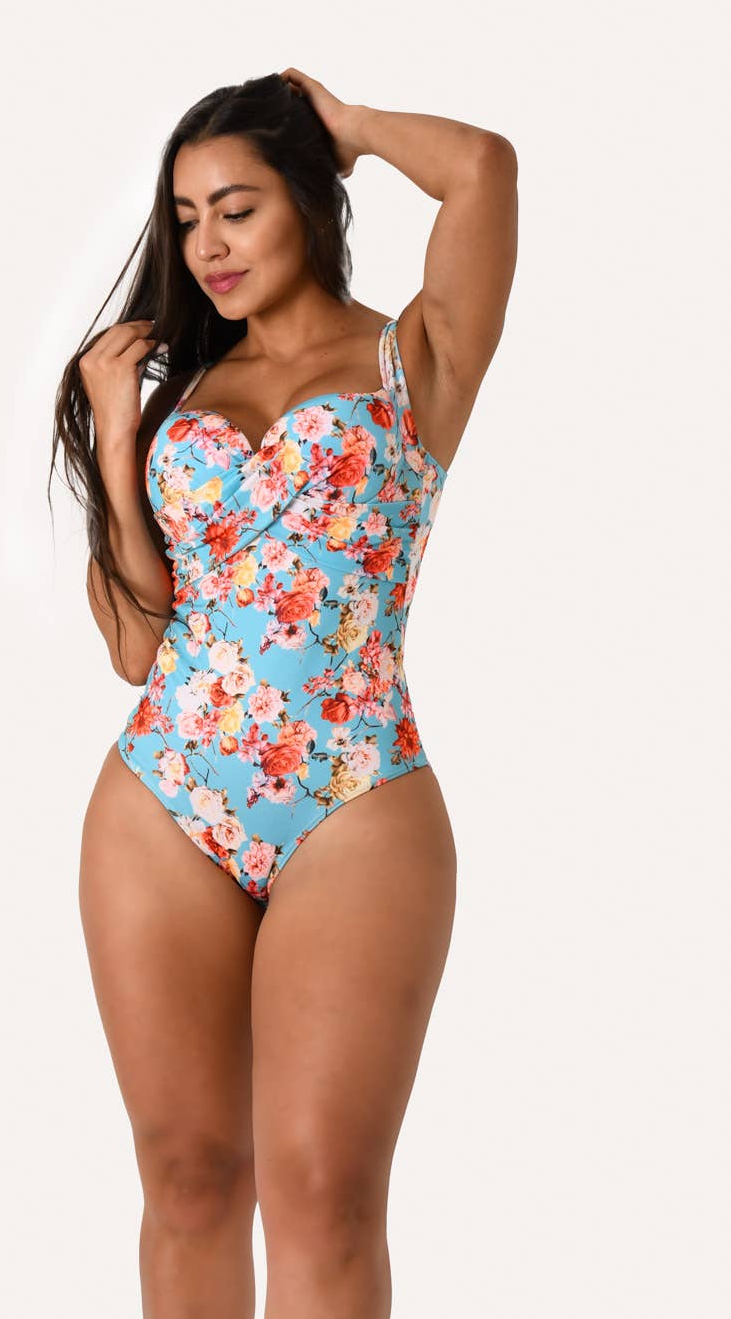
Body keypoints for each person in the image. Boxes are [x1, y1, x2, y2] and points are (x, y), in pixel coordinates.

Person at [51, 67, 518, 1318]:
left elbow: (483, 167)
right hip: (163, 795)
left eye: (238, 207)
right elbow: (137, 647)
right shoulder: (177, 401)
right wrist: (115, 437)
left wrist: (347, 127)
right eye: (186, 217)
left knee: (324, 1192)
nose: (206, 244)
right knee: (190, 1178)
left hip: (356, 794)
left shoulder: (415, 355)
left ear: (308, 200)